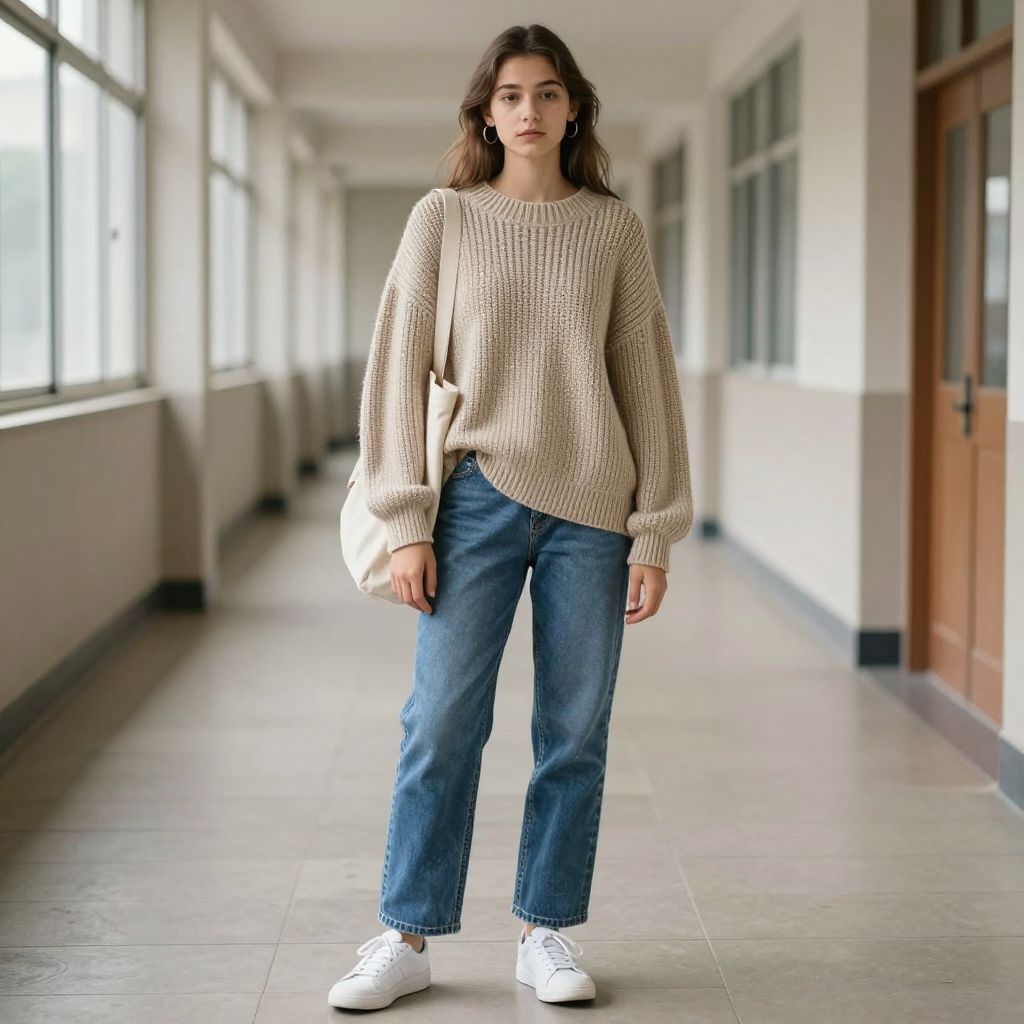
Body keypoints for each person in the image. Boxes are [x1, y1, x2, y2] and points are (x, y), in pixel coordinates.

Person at [328, 22, 693, 1012]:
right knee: (440, 721)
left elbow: (645, 384)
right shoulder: (443, 217)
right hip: (476, 497)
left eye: (545, 93)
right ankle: (405, 933)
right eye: (508, 95)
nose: (527, 111)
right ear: (485, 115)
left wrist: (654, 527)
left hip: (593, 510)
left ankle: (546, 930)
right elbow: (395, 371)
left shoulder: (612, 228)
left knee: (574, 728)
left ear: (573, 107)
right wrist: (406, 518)